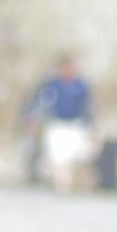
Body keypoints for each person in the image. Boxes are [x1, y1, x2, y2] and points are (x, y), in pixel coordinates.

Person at [23, 55, 93, 192]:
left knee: (81, 159)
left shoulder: (80, 85)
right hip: (58, 126)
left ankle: (80, 188)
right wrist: (31, 118)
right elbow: (39, 103)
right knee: (59, 162)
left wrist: (91, 125)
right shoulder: (51, 85)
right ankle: (63, 189)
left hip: (77, 125)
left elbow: (88, 107)